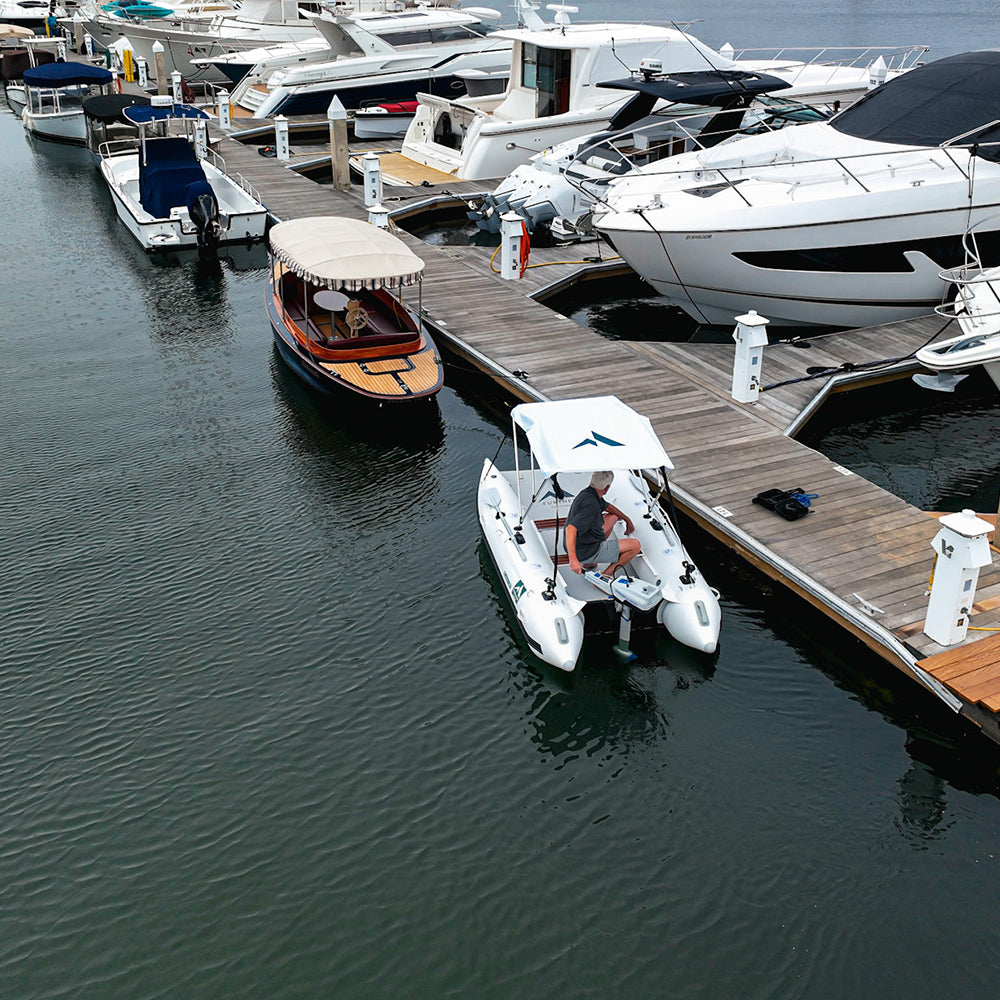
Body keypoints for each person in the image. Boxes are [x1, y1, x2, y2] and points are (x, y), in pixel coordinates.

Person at [564, 471, 641, 576]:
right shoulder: (591, 506)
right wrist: (573, 560)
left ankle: (589, 564)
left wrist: (626, 519)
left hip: (582, 543)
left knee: (613, 517)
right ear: (607, 487)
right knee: (635, 545)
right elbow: (570, 529)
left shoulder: (588, 494)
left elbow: (608, 507)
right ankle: (605, 576)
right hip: (584, 551)